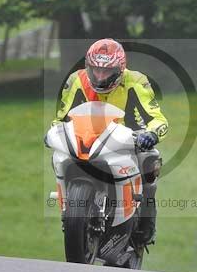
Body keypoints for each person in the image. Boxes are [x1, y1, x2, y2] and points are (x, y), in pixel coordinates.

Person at [52, 38, 168, 246]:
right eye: (95, 70)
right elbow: (61, 117)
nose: (100, 76)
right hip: (88, 136)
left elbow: (158, 119)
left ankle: (146, 224)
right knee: (59, 155)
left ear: (120, 69)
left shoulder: (137, 81)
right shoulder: (76, 80)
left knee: (151, 161)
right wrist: (55, 131)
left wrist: (150, 135)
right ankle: (70, 210)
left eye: (107, 71)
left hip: (127, 138)